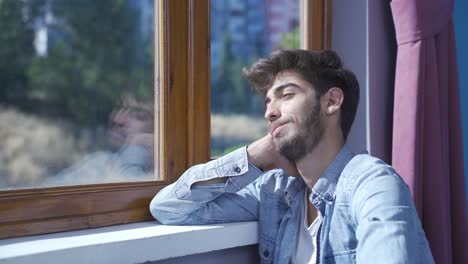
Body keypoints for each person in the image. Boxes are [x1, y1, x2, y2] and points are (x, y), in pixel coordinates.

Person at [149, 49, 434, 263]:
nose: (269, 112)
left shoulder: (372, 182)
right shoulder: (275, 192)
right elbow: (169, 207)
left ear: (331, 102)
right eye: (268, 102)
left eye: (286, 95)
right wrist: (252, 157)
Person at [42, 95, 155, 186]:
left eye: (138, 115)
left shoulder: (164, 184)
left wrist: (135, 150)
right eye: (118, 108)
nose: (117, 119)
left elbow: (128, 198)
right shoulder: (98, 164)